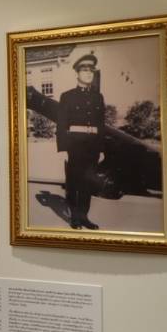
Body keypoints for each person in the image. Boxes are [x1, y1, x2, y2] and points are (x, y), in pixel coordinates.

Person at [56, 50, 107, 229]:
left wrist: (101, 149)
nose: (88, 73)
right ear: (77, 73)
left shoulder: (98, 97)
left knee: (88, 183)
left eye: (91, 70)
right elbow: (61, 125)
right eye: (84, 70)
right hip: (75, 145)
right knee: (74, 182)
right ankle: (75, 217)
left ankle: (84, 216)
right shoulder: (67, 96)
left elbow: (101, 125)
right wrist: (63, 149)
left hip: (92, 146)